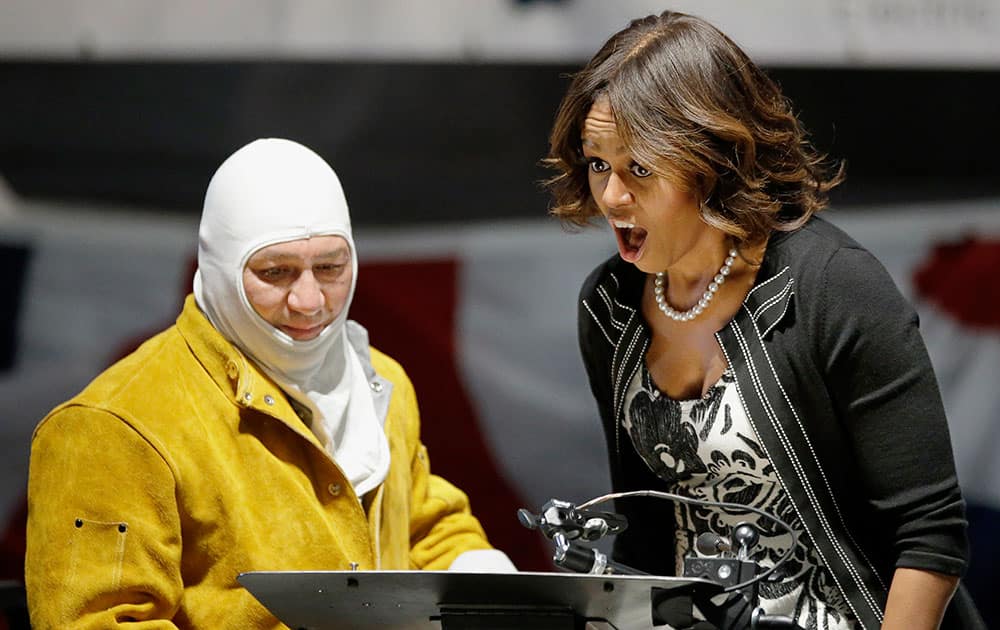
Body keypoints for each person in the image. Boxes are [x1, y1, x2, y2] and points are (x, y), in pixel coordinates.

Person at [544, 10, 983, 630]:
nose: (612, 196)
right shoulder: (609, 305)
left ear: (713, 158)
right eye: (597, 164)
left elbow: (931, 537)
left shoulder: (834, 285)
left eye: (640, 167)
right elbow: (644, 538)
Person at [24, 138, 512, 629]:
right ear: (217, 268)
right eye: (275, 272)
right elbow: (100, 621)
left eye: (330, 267)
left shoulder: (380, 382)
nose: (308, 300)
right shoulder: (112, 429)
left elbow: (424, 530)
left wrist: (496, 592)